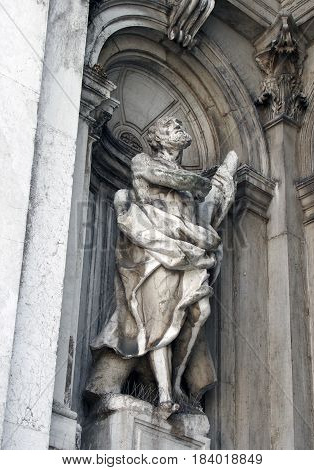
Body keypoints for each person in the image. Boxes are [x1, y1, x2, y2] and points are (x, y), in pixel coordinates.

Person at [88, 116, 238, 415]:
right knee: (157, 317)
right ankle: (163, 395)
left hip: (183, 256)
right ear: (156, 138)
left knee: (200, 311)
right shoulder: (144, 162)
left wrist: (224, 182)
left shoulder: (186, 189)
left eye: (180, 125)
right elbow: (182, 181)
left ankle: (176, 385)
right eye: (172, 125)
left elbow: (202, 216)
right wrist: (206, 185)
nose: (179, 128)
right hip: (154, 255)